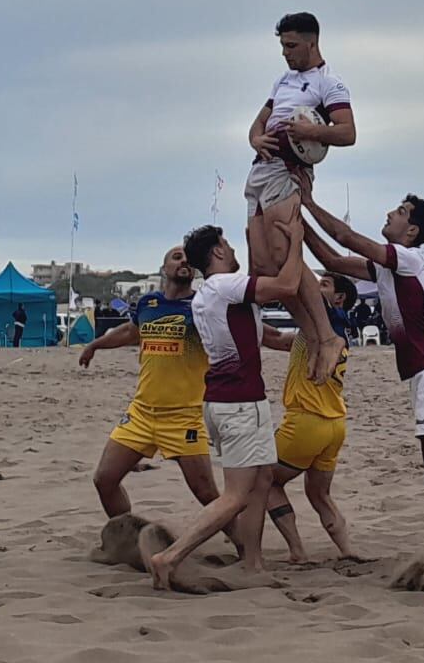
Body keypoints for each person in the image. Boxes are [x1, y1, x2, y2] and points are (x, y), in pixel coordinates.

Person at [295, 173, 424, 581]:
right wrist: (296, 222)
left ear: (412, 231)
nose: (390, 213)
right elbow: (335, 262)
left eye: (401, 211)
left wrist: (307, 201)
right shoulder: (389, 267)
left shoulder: (409, 258)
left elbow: (347, 237)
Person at [142, 220, 305, 591]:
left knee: (262, 479)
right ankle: (169, 557)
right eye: (228, 245)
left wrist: (254, 237)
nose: (232, 251)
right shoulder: (222, 285)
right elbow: (286, 285)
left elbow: (265, 321)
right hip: (239, 404)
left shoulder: (210, 293)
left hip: (234, 401)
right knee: (235, 495)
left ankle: (252, 562)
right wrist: (296, 240)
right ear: (216, 252)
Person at [80, 247, 237, 545]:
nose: (184, 261)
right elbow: (129, 332)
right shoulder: (149, 303)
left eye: (189, 259)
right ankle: (127, 541)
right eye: (177, 257)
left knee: (206, 493)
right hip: (141, 413)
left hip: (185, 415)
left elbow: (246, 331)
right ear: (164, 267)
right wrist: (95, 345)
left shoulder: (202, 305)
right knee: (105, 479)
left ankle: (245, 546)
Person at [244, 12, 353, 385]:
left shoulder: (329, 83)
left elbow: (348, 133)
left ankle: (326, 335)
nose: (286, 53)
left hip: (289, 170)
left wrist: (310, 130)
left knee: (285, 254)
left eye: (291, 46)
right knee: (264, 268)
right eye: (282, 46)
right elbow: (258, 124)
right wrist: (256, 138)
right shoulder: (284, 80)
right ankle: (312, 333)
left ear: (311, 42)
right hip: (261, 167)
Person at [265, 272, 356, 562]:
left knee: (264, 480)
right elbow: (279, 339)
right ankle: (348, 551)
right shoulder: (331, 329)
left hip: (306, 421)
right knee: (320, 496)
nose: (316, 288)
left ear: (338, 298)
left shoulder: (325, 319)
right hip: (335, 424)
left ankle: (297, 550)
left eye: (325, 285)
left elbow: (292, 286)